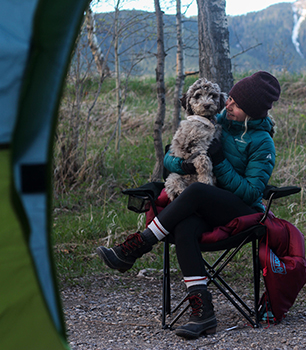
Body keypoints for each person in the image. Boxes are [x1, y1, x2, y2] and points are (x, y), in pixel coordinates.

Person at [96, 71, 281, 339]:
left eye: (236, 105)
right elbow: (171, 158)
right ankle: (203, 312)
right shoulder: (212, 121)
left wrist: (218, 161)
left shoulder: (262, 142)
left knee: (194, 191)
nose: (226, 105)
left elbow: (252, 192)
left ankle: (137, 245)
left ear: (251, 113)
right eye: (229, 98)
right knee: (185, 226)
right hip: (207, 205)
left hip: (241, 211)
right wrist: (184, 164)